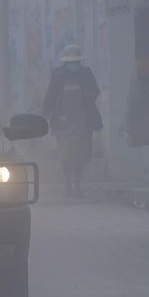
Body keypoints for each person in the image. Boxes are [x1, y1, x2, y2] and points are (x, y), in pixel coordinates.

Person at [42, 44, 103, 198]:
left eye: (76, 61)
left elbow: (95, 91)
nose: (73, 65)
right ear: (65, 62)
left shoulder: (86, 74)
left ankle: (77, 184)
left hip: (83, 122)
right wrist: (46, 112)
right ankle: (68, 185)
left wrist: (88, 94)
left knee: (81, 155)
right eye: (71, 62)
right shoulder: (58, 75)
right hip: (63, 123)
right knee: (66, 155)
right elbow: (50, 95)